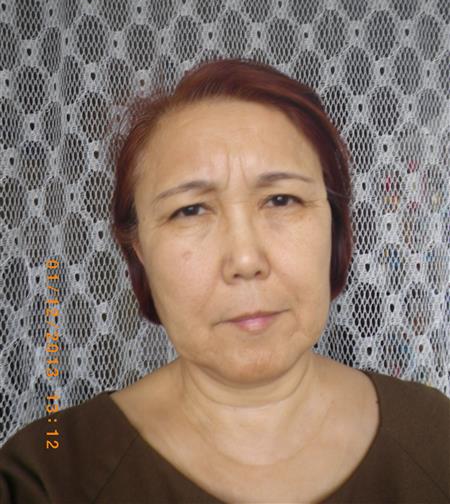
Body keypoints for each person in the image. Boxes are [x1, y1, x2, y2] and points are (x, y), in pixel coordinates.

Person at [0, 58, 449, 503]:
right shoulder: (49, 474)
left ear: (334, 226)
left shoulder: (436, 437)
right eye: (190, 210)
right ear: (139, 250)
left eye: (281, 200)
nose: (246, 260)